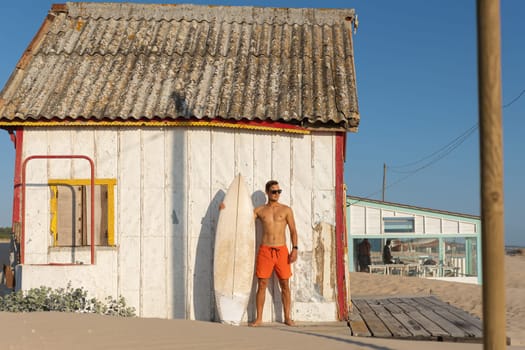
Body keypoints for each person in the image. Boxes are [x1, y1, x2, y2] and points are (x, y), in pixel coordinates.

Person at [250, 180, 298, 327]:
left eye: (279, 191)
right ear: (267, 192)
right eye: (273, 191)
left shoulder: (286, 210)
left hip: (282, 250)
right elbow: (243, 220)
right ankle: (259, 319)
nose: (276, 194)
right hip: (265, 250)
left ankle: (287, 317)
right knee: (262, 284)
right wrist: (224, 209)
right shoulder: (259, 210)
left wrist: (295, 249)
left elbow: (293, 231)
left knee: (285, 284)